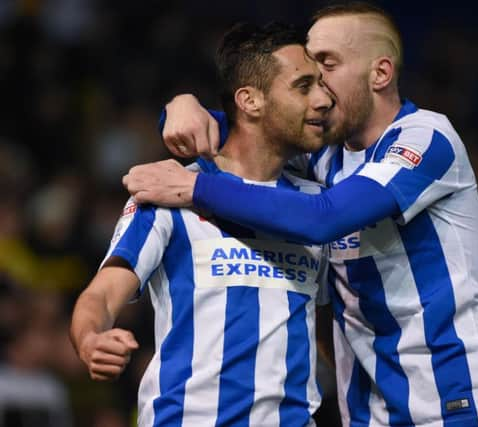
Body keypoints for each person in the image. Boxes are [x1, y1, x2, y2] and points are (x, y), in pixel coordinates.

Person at [123, 3, 478, 427]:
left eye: (327, 65)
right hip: (371, 414)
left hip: (458, 406)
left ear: (380, 74)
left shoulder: (427, 138)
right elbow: (244, 125)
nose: (316, 86)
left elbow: (324, 217)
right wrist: (179, 105)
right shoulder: (321, 154)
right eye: (308, 72)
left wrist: (195, 188)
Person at [71, 22, 335, 427]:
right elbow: (101, 296)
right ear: (249, 100)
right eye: (302, 86)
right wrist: (90, 337)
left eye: (320, 84)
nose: (322, 99)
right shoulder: (167, 191)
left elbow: (324, 327)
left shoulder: (319, 207)